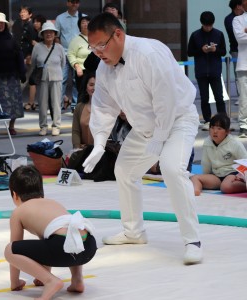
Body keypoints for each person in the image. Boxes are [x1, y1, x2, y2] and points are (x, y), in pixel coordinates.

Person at [84, 13, 202, 264]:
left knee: (172, 168)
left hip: (178, 119)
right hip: (144, 128)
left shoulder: (150, 53)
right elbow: (104, 107)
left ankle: (192, 240)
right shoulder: (104, 68)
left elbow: (166, 98)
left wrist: (160, 137)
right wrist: (100, 142)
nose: (97, 53)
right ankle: (133, 231)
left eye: (101, 46)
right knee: (125, 171)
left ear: (118, 34)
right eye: (92, 47)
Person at [4, 165, 97, 299]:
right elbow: (49, 241)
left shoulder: (18, 212)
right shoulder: (53, 203)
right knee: (71, 233)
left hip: (62, 247)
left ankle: (50, 281)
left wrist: (15, 282)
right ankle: (77, 280)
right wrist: (41, 274)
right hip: (89, 246)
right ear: (41, 190)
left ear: (14, 194)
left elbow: (15, 248)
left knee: (9, 250)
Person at [187, 11, 227, 131]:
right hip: (201, 71)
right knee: (204, 98)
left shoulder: (219, 34)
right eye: (206, 25)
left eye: (210, 25)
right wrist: (201, 50)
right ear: (202, 23)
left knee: (219, 97)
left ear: (213, 23)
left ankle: (223, 120)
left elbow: (224, 52)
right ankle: (207, 121)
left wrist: (215, 50)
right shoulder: (195, 35)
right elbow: (189, 52)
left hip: (215, 70)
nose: (208, 28)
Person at [191, 113, 247, 196]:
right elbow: (206, 163)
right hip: (216, 176)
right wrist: (206, 177)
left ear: (227, 131)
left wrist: (241, 176)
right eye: (212, 128)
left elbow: (245, 161)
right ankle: (196, 191)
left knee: (226, 187)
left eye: (219, 128)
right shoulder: (207, 142)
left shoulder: (234, 143)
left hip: (232, 174)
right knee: (195, 178)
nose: (215, 131)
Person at [31, 21, 66, 136]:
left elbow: (63, 63)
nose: (49, 34)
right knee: (42, 104)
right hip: (42, 78)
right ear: (42, 34)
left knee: (56, 103)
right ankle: (43, 127)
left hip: (56, 78)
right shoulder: (37, 47)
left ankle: (56, 126)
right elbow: (34, 63)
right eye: (46, 32)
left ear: (55, 34)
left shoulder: (59, 48)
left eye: (51, 32)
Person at [55, 0, 84, 111]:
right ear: (67, 3)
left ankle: (75, 105)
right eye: (72, 2)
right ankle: (60, 104)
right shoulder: (60, 18)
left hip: (79, 55)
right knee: (61, 79)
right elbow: (57, 36)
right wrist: (60, 51)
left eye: (77, 2)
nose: (74, 4)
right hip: (64, 53)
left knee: (77, 80)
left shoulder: (83, 17)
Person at [12, 6, 38, 112]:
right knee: (26, 79)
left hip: (28, 56)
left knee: (24, 79)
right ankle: (26, 102)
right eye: (21, 12)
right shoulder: (21, 24)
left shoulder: (31, 26)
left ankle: (16, 101)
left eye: (25, 12)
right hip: (21, 55)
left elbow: (33, 42)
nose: (22, 14)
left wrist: (29, 56)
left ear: (30, 14)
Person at [24, 14, 47, 111]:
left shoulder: (46, 33)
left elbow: (48, 47)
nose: (35, 24)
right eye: (34, 22)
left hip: (45, 63)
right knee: (33, 81)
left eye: (38, 22)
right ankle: (31, 102)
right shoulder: (34, 32)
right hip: (36, 62)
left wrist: (37, 44)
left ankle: (64, 99)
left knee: (45, 83)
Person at [233, 0, 247, 138]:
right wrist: (244, 33)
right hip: (244, 65)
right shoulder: (237, 19)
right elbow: (240, 38)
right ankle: (244, 125)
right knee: (244, 97)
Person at [67, 16, 91, 94]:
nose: (86, 24)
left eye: (88, 22)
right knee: (83, 94)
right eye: (83, 23)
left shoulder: (96, 38)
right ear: (79, 26)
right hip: (82, 71)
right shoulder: (75, 40)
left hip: (96, 71)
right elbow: (70, 54)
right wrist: (77, 66)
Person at [224, 0, 243, 99]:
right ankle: (240, 97)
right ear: (237, 6)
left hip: (245, 47)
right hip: (236, 49)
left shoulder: (244, 16)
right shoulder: (229, 19)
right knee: (238, 74)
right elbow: (235, 35)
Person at [72, 71, 95, 148]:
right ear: (86, 87)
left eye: (98, 85)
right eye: (91, 85)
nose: (94, 88)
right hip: (84, 151)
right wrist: (76, 149)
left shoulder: (108, 107)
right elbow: (76, 132)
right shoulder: (79, 107)